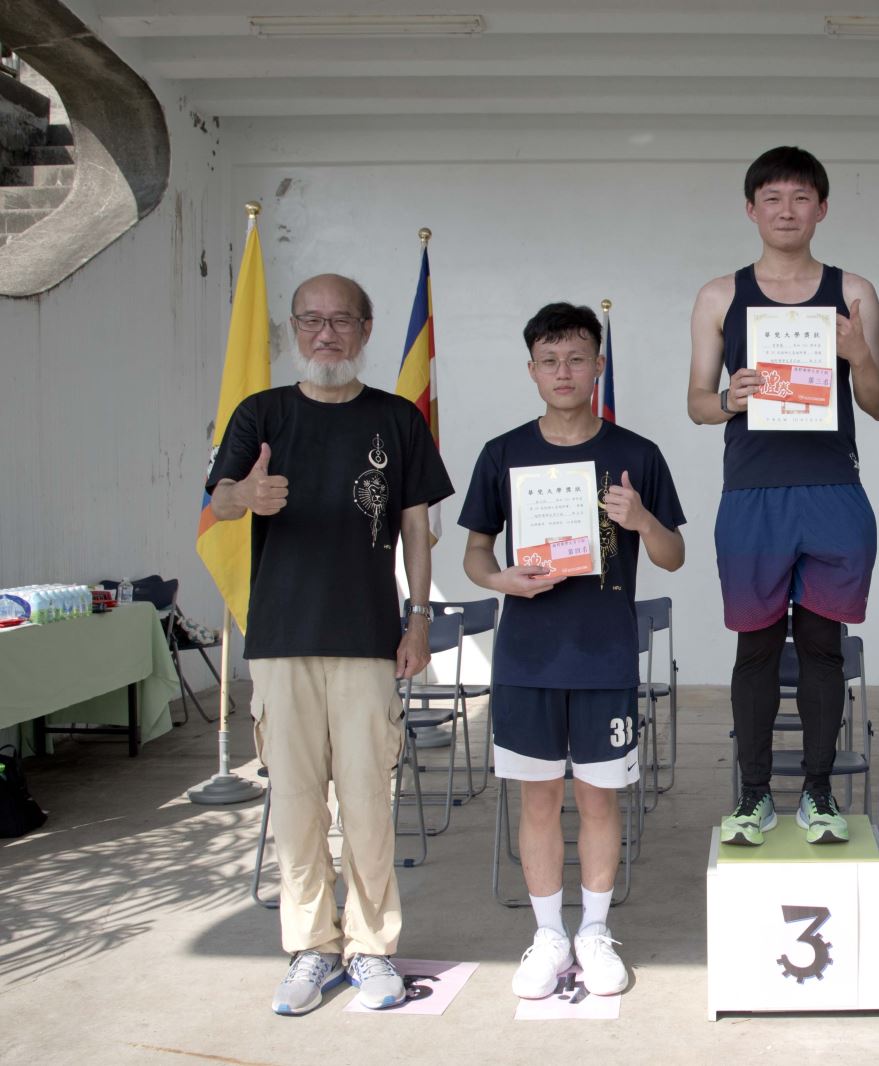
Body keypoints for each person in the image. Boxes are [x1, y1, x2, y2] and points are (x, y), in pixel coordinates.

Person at [206, 273, 454, 1015]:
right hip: (280, 641)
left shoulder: (396, 418)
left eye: (341, 320)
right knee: (296, 803)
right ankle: (311, 947)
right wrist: (244, 496)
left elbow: (416, 528)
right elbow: (219, 500)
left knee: (369, 800)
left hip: (367, 638)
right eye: (310, 320)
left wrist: (418, 618)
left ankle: (372, 947)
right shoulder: (262, 413)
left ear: (366, 329)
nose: (325, 334)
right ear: (293, 328)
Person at [461, 302, 685, 999]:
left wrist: (641, 518)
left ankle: (593, 930)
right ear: (531, 370)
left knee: (598, 800)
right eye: (550, 360)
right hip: (527, 659)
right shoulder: (502, 454)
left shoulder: (637, 455)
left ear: (598, 366)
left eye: (577, 358)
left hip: (604, 657)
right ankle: (548, 936)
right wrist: (501, 580)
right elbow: (475, 552)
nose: (564, 372)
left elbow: (673, 555)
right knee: (536, 802)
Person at [689, 147, 879, 846]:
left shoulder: (853, 291)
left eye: (801, 197)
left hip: (833, 487)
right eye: (772, 198)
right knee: (754, 649)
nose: (786, 210)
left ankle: (817, 790)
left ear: (822, 208)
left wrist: (858, 354)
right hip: (752, 491)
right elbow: (696, 402)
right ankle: (753, 796)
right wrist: (729, 398)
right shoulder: (719, 296)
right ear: (751, 209)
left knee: (822, 647)